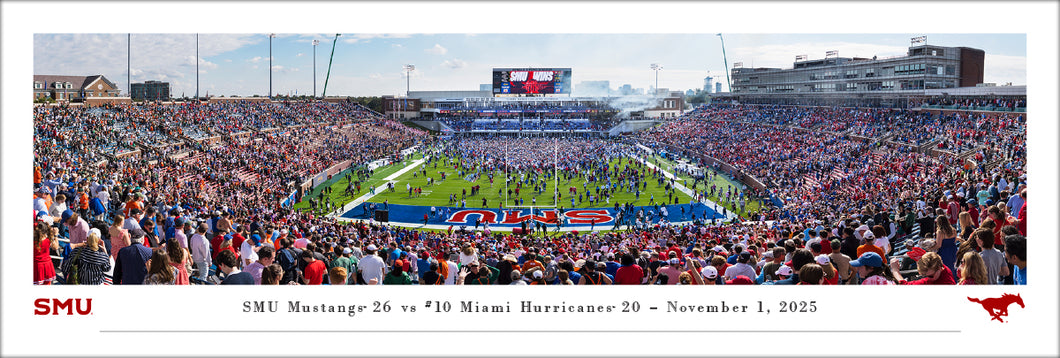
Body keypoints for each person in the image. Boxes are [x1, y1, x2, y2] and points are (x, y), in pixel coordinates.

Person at [888, 252, 955, 285]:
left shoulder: (931, 283)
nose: (927, 277)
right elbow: (933, 260)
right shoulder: (944, 268)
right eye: (924, 275)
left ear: (939, 268)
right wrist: (924, 257)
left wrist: (895, 270)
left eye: (930, 275)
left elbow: (904, 285)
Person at [931, 215, 959, 281]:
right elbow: (954, 241)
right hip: (953, 251)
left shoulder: (940, 232)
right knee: (953, 269)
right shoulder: (953, 230)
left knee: (945, 270)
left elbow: (938, 245)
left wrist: (930, 248)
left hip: (944, 253)